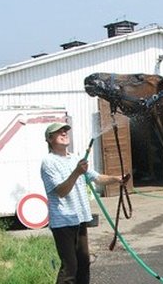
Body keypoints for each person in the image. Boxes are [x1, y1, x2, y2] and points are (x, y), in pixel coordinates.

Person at [40, 122, 125, 284]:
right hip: (62, 222)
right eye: (59, 132)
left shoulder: (76, 158)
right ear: (50, 139)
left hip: (79, 219)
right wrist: (76, 172)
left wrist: (117, 179)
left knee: (84, 264)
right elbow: (61, 191)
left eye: (65, 130)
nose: (64, 133)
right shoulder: (48, 162)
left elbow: (97, 178)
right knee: (70, 268)